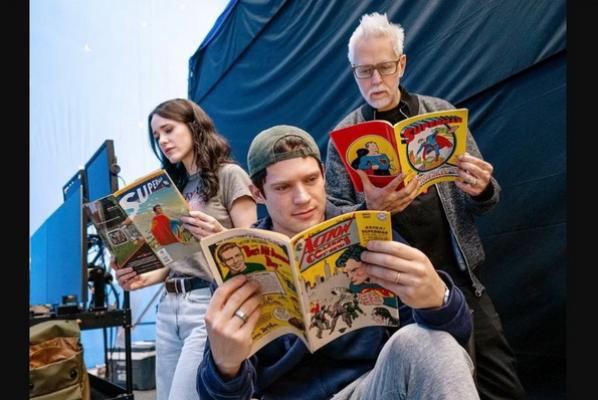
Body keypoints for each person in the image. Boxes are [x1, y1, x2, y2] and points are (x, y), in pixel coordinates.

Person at [324, 12, 526, 400]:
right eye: (364, 71)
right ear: (353, 72)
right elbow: (334, 225)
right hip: (395, 294)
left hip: (463, 280)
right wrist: (372, 207)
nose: (376, 81)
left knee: (502, 386)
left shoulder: (439, 112)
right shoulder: (343, 138)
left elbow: (488, 197)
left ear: (401, 64)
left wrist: (481, 188)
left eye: (384, 67)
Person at [197, 125, 478, 399]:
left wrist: (439, 300)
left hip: (370, 388)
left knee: (430, 342)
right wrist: (225, 366)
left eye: (310, 180)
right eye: (283, 187)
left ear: (324, 176)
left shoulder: (368, 230)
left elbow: (455, 337)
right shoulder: (237, 260)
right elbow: (217, 394)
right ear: (258, 193)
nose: (302, 198)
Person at [115, 98, 257, 400]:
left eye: (168, 129)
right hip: (168, 306)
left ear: (193, 125)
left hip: (208, 301)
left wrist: (219, 234)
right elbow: (176, 257)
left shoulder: (230, 175)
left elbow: (254, 248)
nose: (163, 141)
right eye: (157, 136)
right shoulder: (172, 188)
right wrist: (143, 278)